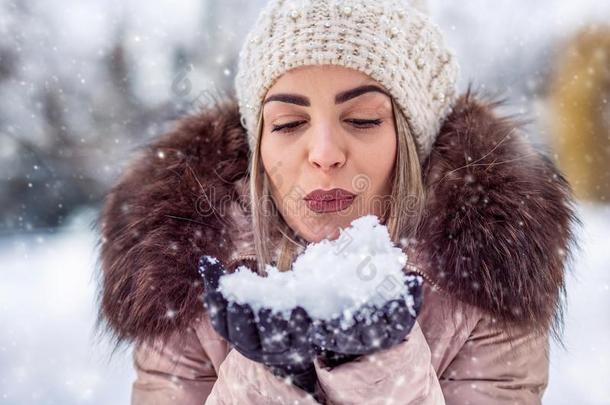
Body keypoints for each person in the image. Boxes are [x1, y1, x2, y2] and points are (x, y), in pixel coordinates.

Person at [95, 0, 579, 403]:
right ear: (258, 141)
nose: (325, 154)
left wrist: (383, 374)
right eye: (287, 124)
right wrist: (267, 378)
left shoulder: (486, 285)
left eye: (364, 119)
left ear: (411, 140)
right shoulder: (183, 278)